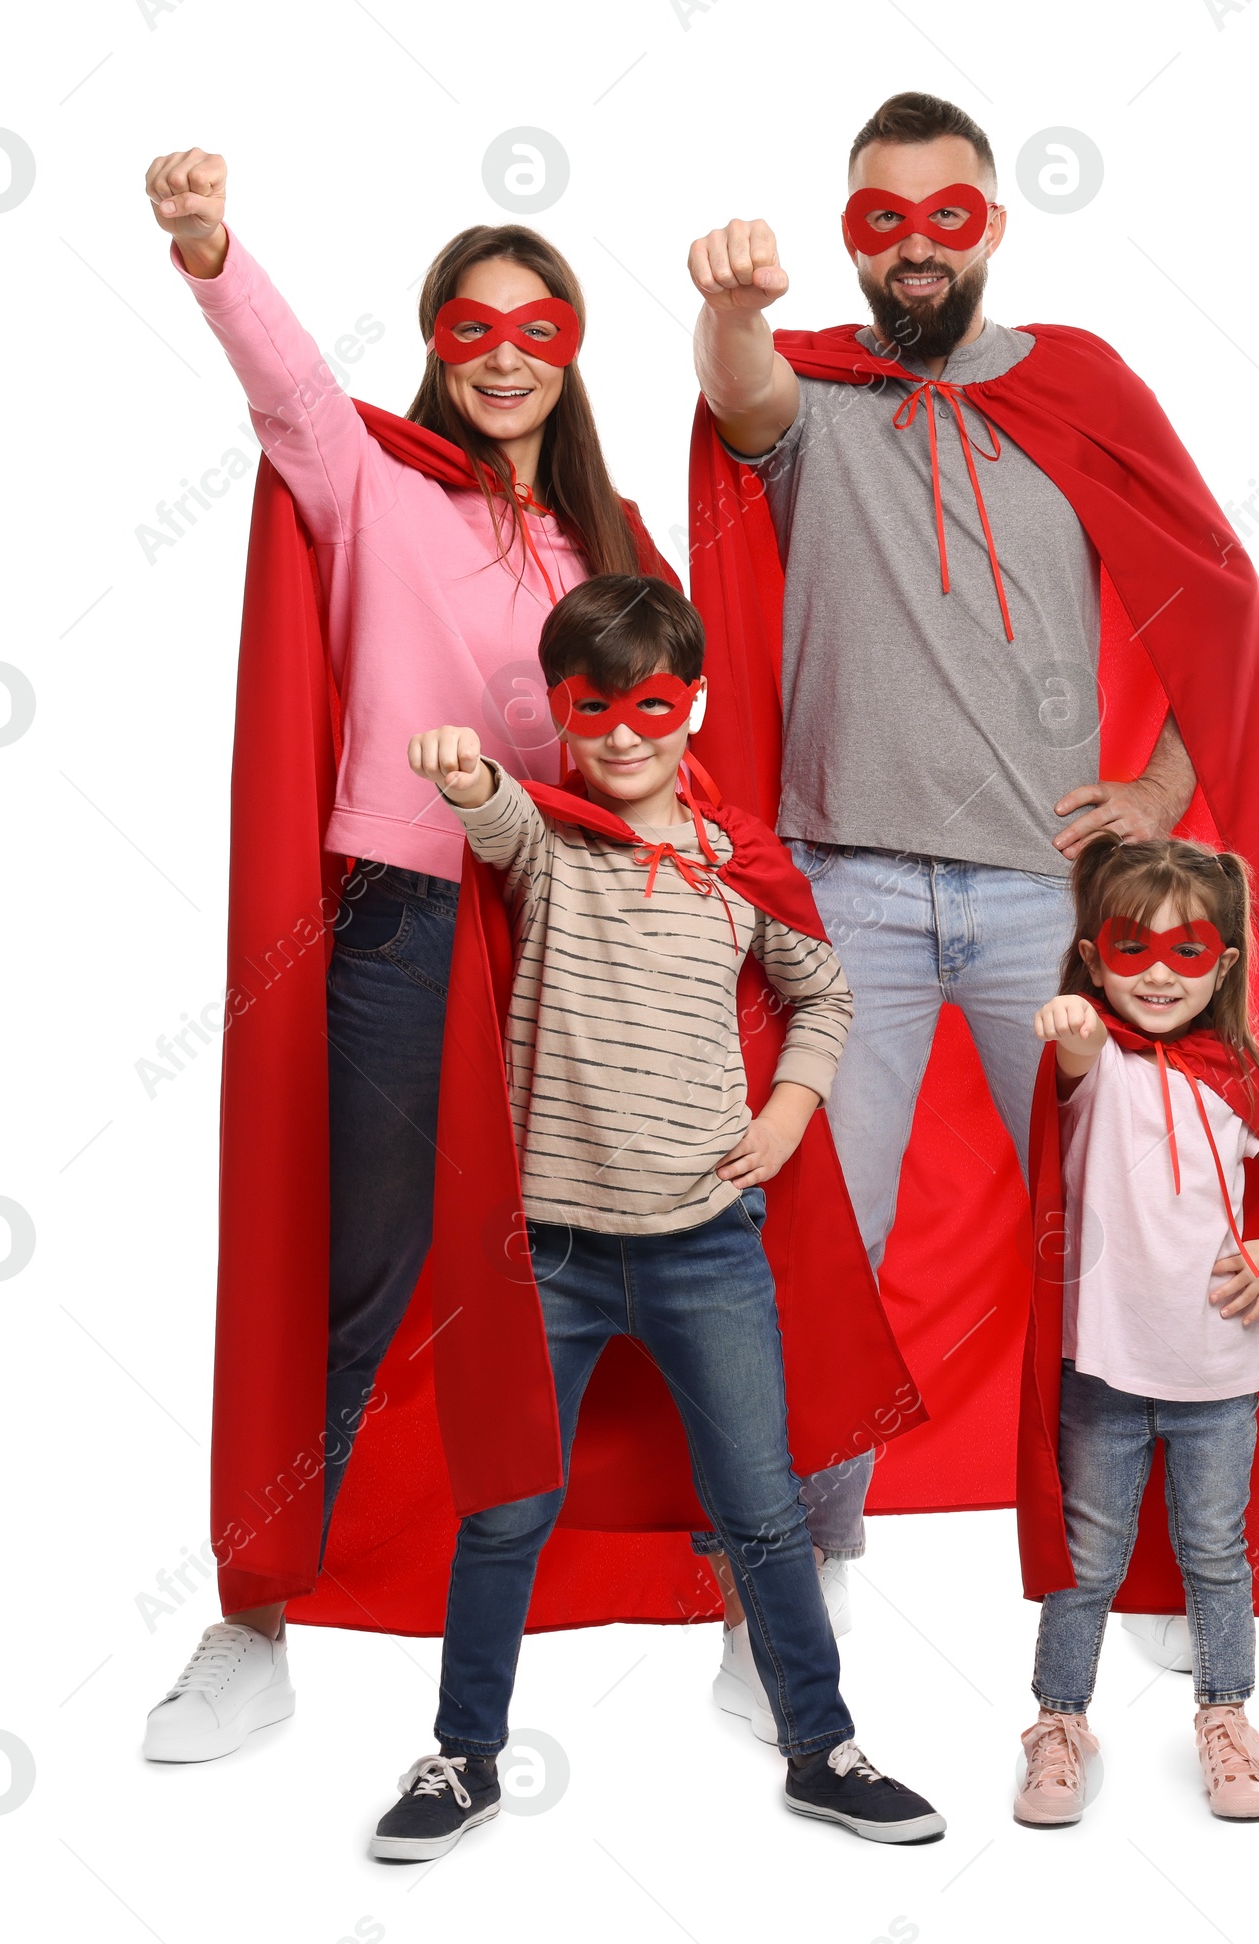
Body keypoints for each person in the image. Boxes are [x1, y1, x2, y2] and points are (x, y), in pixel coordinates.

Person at [684, 87, 1259, 1723]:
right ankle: (797, 1567)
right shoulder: (821, 395)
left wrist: (1161, 790)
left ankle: (1162, 1565)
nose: (914, 244)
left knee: (1151, 1223)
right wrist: (730, 306)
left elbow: (1219, 598)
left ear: (993, 224)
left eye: (947, 213)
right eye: (880, 217)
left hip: (1041, 908)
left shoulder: (1081, 383)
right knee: (810, 1234)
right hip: (845, 888)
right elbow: (744, 393)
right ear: (853, 234)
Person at [137, 148, 675, 1762]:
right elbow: (292, 390)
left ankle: (746, 1586)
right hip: (403, 910)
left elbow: (652, 746)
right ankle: (253, 1613)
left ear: (571, 350)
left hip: (570, 927)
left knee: (639, 1246)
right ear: (440, 345)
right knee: (364, 1266)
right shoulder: (367, 480)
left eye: (538, 324)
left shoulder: (609, 541)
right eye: (471, 323)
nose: (504, 350)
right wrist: (215, 249)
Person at [378, 574, 945, 1857]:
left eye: (651, 705)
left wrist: (794, 1111)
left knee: (760, 1509)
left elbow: (827, 990)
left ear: (693, 704)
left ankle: (821, 1748)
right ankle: (463, 1757)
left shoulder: (740, 864)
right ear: (562, 715)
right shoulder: (554, 842)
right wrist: (464, 773)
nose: (624, 735)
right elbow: (492, 818)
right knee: (508, 1504)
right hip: (556, 1257)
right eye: (594, 709)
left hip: (706, 1252)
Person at [1015, 835, 1259, 1825]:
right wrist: (1070, 1024)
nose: (1153, 974)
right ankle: (1059, 1726)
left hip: (1217, 1371)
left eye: (1184, 952)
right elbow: (1074, 1053)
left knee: (1214, 1553)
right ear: (1096, 957)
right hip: (1103, 1369)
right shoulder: (1096, 1060)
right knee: (1086, 1561)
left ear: (1222, 963)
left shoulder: (1239, 1074)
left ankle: (1225, 1721)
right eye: (1127, 949)